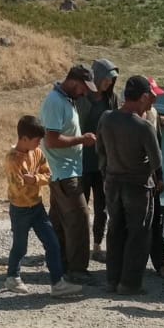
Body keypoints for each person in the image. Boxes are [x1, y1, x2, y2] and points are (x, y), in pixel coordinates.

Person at [96, 75, 163, 295]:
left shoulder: (106, 118)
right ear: (143, 97)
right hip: (138, 185)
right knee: (139, 234)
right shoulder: (144, 126)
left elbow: (100, 149)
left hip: (112, 182)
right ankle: (130, 283)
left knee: (115, 230)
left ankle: (112, 280)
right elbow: (156, 161)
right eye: (149, 98)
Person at [4, 116, 78, 297]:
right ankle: (12, 276)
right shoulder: (12, 160)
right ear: (24, 139)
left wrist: (35, 179)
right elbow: (19, 187)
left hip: (37, 207)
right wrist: (34, 180)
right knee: (20, 246)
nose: (39, 144)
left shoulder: (37, 152)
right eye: (36, 141)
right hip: (20, 209)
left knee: (52, 243)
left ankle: (57, 283)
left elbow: (49, 175)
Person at [40, 65, 98, 282]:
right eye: (84, 88)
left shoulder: (66, 100)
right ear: (74, 82)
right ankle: (77, 270)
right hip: (63, 172)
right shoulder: (55, 102)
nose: (84, 93)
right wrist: (82, 140)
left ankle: (59, 265)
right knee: (80, 219)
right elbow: (52, 140)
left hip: (64, 170)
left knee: (59, 220)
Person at [79, 58, 119, 262]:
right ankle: (79, 247)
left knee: (102, 207)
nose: (109, 83)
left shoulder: (111, 99)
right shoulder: (82, 98)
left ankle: (97, 246)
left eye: (112, 80)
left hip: (103, 162)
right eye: (107, 79)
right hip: (82, 162)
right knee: (81, 206)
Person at [145, 77, 164, 278]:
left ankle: (159, 263)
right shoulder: (133, 117)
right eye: (153, 94)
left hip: (152, 177)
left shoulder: (153, 113)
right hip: (141, 178)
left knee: (155, 222)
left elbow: (157, 149)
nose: (156, 98)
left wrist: (159, 176)